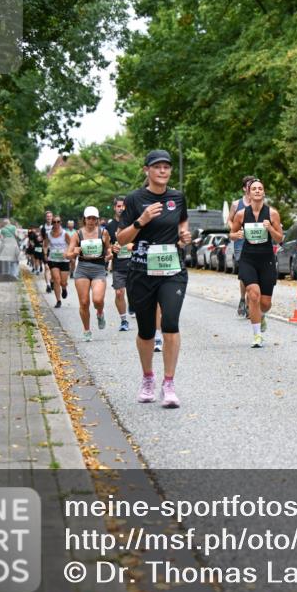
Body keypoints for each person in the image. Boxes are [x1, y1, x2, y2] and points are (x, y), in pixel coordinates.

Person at [116, 149, 192, 407]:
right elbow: (121, 238)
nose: (163, 171)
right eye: (157, 166)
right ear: (147, 170)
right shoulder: (135, 199)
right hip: (141, 272)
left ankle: (168, 384)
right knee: (147, 330)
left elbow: (182, 224)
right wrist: (141, 221)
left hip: (172, 270)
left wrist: (184, 236)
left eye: (167, 167)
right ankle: (148, 378)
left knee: (170, 322)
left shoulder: (177, 197)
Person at [230, 178, 284, 348]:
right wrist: (236, 235)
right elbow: (231, 234)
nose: (257, 191)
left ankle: (261, 315)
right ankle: (257, 336)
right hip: (248, 258)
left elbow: (279, 238)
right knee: (253, 294)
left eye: (260, 188)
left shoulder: (272, 213)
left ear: (264, 192)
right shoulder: (241, 214)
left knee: (265, 303)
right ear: (249, 192)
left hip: (266, 258)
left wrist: (270, 229)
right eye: (254, 189)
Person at [68, 206, 112, 342]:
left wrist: (110, 255)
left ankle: (100, 313)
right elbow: (67, 254)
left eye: (94, 218)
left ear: (97, 220)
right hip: (82, 269)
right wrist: (74, 253)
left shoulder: (103, 233)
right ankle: (87, 330)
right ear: (84, 219)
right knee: (84, 302)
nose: (91, 221)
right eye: (89, 218)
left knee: (97, 300)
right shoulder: (77, 234)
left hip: (98, 268)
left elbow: (109, 248)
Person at [105, 196, 135, 332]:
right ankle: (124, 320)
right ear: (114, 207)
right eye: (118, 206)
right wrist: (111, 248)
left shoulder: (134, 224)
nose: (121, 208)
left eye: (123, 206)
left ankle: (132, 304)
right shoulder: (109, 226)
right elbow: (106, 246)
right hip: (118, 265)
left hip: (135, 264)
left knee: (135, 293)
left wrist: (132, 245)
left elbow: (142, 240)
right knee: (119, 293)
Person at [227, 175, 256, 317]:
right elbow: (229, 220)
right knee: (245, 274)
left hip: (257, 243)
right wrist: (235, 230)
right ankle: (243, 299)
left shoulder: (260, 203)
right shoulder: (236, 204)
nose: (253, 189)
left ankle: (251, 305)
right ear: (245, 188)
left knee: (255, 273)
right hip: (241, 243)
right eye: (250, 186)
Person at [43, 216, 70, 308]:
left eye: (58, 222)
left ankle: (64, 288)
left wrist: (67, 252)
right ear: (52, 223)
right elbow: (45, 245)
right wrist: (46, 254)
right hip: (53, 259)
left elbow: (71, 244)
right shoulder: (48, 234)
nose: (56, 224)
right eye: (54, 222)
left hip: (64, 260)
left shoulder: (65, 234)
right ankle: (58, 300)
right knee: (56, 280)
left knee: (63, 282)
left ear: (60, 222)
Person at [38, 210, 55, 292]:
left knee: (53, 269)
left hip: (54, 250)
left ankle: (52, 281)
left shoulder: (55, 226)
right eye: (47, 216)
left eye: (50, 216)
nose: (49, 218)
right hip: (45, 249)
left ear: (52, 217)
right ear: (45, 218)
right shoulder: (42, 227)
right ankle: (48, 285)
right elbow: (41, 237)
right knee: (46, 267)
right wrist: (39, 239)